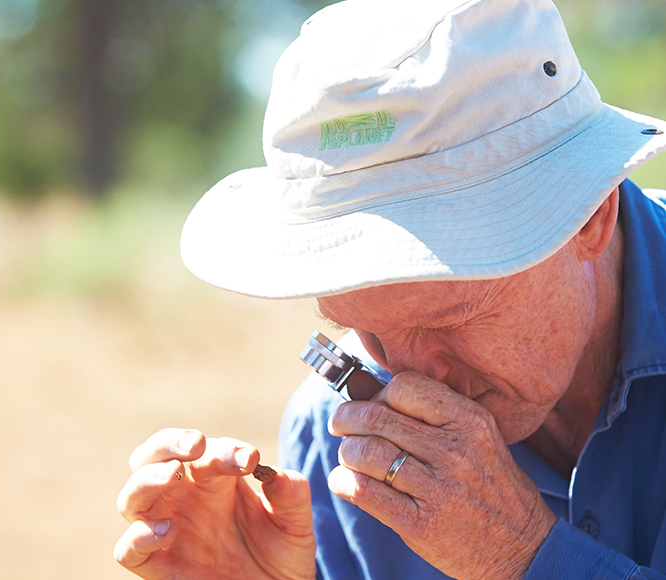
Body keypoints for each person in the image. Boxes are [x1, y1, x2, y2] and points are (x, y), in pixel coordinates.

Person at [114, 0, 666, 578]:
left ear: (589, 219)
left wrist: (524, 556)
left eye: (446, 319)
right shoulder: (338, 439)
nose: (406, 378)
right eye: (360, 327)